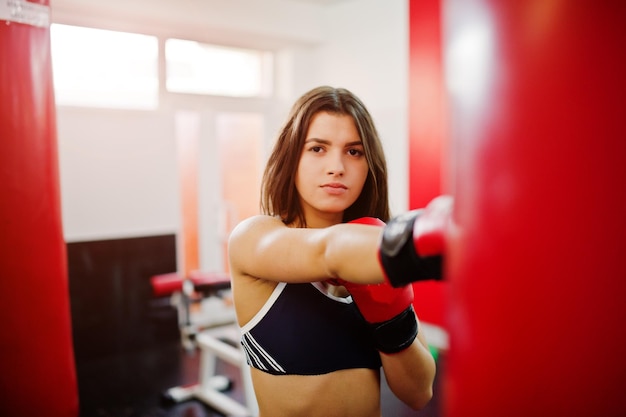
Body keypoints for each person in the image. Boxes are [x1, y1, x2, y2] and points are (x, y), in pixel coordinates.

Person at [228, 86, 447, 417]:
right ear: (292, 157)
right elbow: (327, 250)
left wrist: (388, 314)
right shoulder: (254, 238)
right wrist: (422, 241)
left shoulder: (374, 251)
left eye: (354, 152)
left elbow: (419, 392)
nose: (337, 167)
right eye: (318, 148)